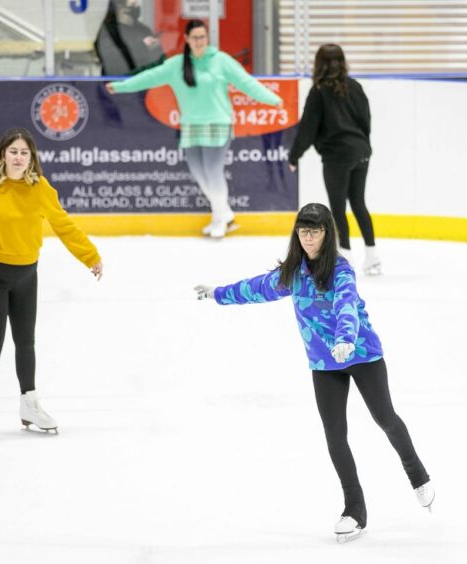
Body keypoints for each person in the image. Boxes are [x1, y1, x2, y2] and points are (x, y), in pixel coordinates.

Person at [193, 203, 433, 542]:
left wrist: (346, 338)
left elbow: (346, 304)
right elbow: (256, 288)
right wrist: (217, 293)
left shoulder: (340, 269)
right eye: (303, 231)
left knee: (385, 418)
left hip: (362, 355)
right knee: (335, 435)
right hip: (324, 363)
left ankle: (417, 472)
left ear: (327, 233)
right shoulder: (292, 274)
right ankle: (355, 509)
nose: (308, 238)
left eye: (314, 231)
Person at [0, 128, 104, 443]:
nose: (18, 157)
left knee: (26, 342)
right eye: (13, 151)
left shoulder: (40, 189)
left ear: (32, 158)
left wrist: (89, 256)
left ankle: (30, 404)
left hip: (26, 273)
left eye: (24, 152)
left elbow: (64, 225)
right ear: (2, 154)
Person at [104, 19, 283, 239]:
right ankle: (225, 214)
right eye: (195, 38)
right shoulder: (176, 65)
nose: (199, 42)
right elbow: (149, 77)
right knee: (199, 174)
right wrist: (120, 86)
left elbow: (246, 83)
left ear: (207, 38)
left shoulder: (221, 61)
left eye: (202, 37)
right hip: (191, 126)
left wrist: (272, 99)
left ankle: (219, 219)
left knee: (213, 172)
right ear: (187, 40)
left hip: (217, 124)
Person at [288, 44, 381, 276]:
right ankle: (373, 257)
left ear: (318, 64)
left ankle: (346, 258)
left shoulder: (318, 91)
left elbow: (308, 129)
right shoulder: (355, 87)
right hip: (361, 151)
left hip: (337, 155)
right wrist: (361, 146)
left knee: (338, 208)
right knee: (358, 203)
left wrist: (294, 155)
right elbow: (365, 120)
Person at [94, 0, 164, 76]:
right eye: (131, 7)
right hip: (117, 81)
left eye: (135, 6)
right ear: (120, 8)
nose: (134, 10)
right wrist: (142, 45)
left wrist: (155, 47)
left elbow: (156, 60)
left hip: (143, 81)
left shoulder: (143, 30)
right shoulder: (109, 31)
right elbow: (110, 58)